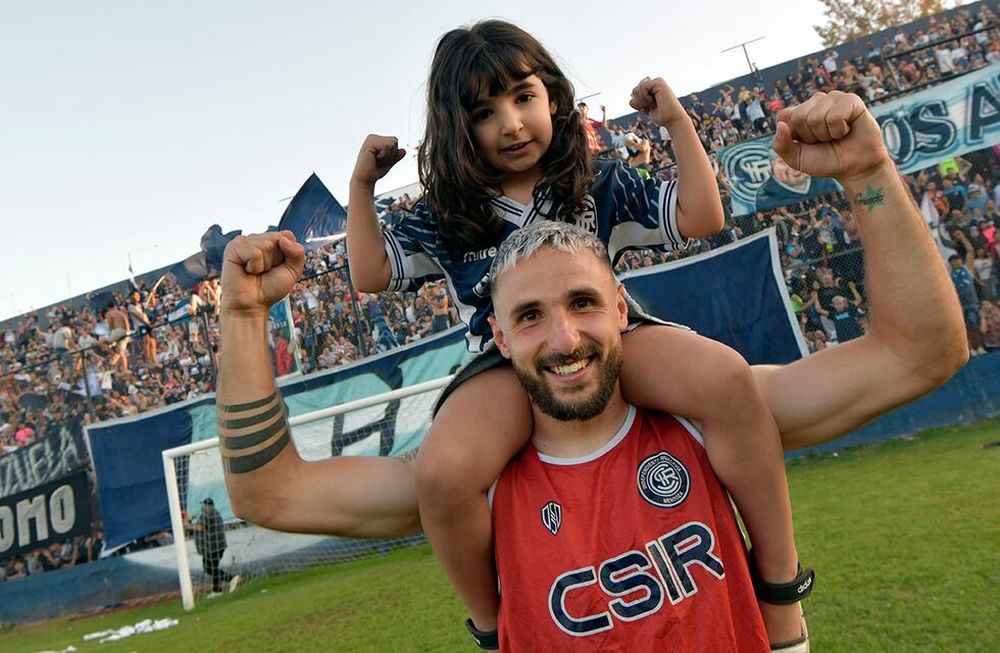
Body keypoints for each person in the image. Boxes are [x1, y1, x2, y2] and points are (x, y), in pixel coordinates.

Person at [217, 91, 967, 649]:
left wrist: (868, 174)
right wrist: (245, 319)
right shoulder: (474, 482)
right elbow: (268, 492)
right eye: (531, 316)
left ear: (621, 306)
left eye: (581, 302)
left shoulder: (708, 419)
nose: (564, 335)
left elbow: (923, 353)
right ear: (499, 340)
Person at [346, 20, 803, 645]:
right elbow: (370, 275)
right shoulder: (445, 213)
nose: (510, 123)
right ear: (458, 126)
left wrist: (675, 123)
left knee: (725, 377)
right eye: (485, 111)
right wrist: (362, 187)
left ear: (554, 98)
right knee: (443, 474)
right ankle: (492, 625)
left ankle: (778, 587)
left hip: (614, 337)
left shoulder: (594, 179)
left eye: (523, 97)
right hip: (505, 367)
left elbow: (702, 215)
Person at [183, 498, 240, 595]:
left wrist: (186, 525)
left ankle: (231, 578)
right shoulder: (213, 512)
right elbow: (200, 521)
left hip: (213, 547)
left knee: (209, 568)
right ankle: (217, 590)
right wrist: (190, 518)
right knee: (213, 568)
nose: (202, 507)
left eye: (203, 505)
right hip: (217, 546)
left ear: (207, 506)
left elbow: (200, 527)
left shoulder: (208, 513)